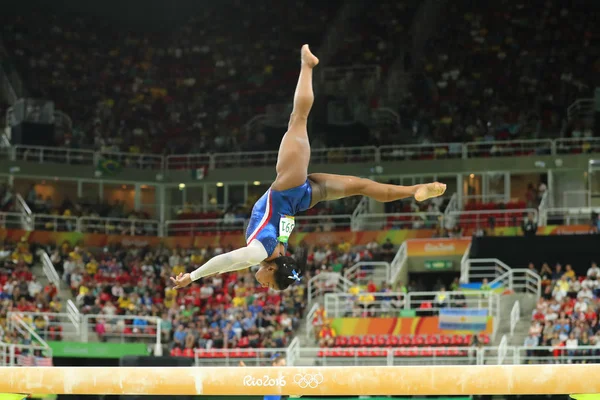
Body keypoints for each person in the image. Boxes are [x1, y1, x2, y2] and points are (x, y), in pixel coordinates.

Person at [171, 45, 446, 292]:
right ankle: (307, 64)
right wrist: (193, 276)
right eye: (271, 286)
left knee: (362, 186)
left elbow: (232, 265)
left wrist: (196, 277)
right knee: (298, 118)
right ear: (271, 270)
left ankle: (414, 191)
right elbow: (230, 259)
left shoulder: (274, 250)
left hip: (303, 198)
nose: (265, 287)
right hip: (289, 189)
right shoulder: (260, 253)